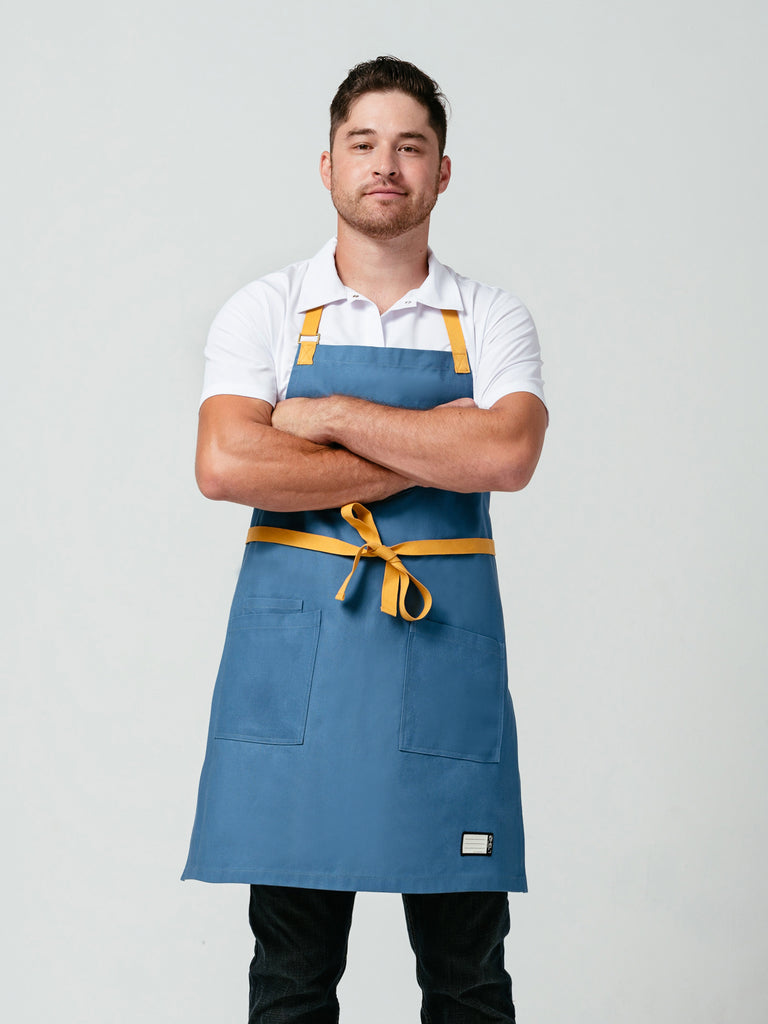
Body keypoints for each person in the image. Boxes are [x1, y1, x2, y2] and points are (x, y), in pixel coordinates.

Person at [183, 56, 548, 1023]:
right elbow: (228, 465)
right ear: (328, 164)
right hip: (300, 682)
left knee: (468, 984)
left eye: (410, 146)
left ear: (441, 171)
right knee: (292, 984)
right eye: (365, 143)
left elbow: (508, 452)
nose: (386, 164)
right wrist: (435, 449)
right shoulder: (264, 309)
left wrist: (330, 415)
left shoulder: (491, 315)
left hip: (442, 684)